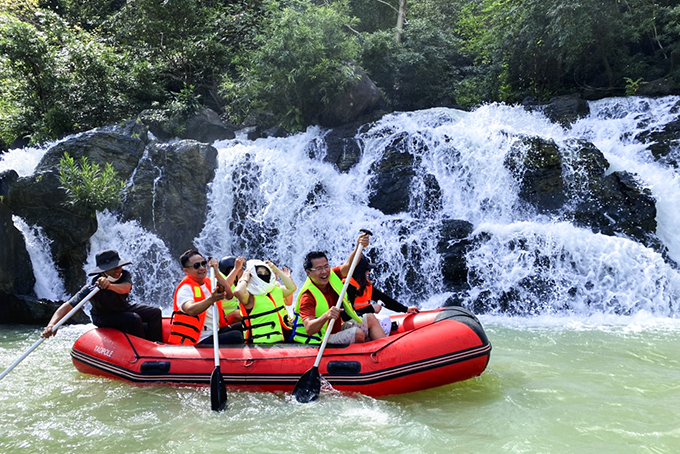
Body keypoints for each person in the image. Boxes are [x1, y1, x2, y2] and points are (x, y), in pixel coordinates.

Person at [42, 249, 162, 342]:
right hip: (104, 317)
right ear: (103, 270)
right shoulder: (93, 286)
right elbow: (69, 305)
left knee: (155, 312)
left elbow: (125, 288)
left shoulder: (125, 275)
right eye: (113, 268)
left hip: (123, 308)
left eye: (119, 266)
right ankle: (141, 348)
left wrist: (109, 286)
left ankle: (156, 344)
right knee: (133, 318)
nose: (118, 270)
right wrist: (52, 325)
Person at [291, 233, 387, 345]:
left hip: (335, 329)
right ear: (308, 272)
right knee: (357, 333)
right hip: (320, 338)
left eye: (326, 266)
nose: (324, 272)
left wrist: (358, 248)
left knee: (370, 318)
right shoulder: (307, 296)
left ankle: (386, 353)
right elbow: (309, 328)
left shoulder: (332, 276)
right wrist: (326, 316)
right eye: (319, 268)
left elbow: (348, 266)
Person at [167, 249, 243, 346]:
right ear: (186, 271)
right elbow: (190, 310)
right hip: (198, 339)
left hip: (214, 332)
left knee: (243, 326)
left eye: (203, 264)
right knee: (236, 336)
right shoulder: (185, 289)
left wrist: (216, 272)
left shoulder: (209, 282)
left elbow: (229, 294)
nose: (202, 268)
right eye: (196, 265)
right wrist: (211, 299)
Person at [345, 255, 419, 335]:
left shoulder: (365, 285)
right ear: (360, 272)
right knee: (380, 321)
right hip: (350, 323)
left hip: (363, 319)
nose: (369, 272)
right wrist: (371, 309)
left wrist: (405, 309)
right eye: (368, 270)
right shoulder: (348, 287)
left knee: (385, 320)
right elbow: (346, 316)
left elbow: (384, 298)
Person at [233, 259, 296, 343]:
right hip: (261, 342)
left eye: (266, 273)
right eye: (260, 273)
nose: (263, 275)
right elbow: (237, 291)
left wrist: (276, 270)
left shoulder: (276, 289)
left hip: (283, 336)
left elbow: (292, 288)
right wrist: (245, 278)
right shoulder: (249, 295)